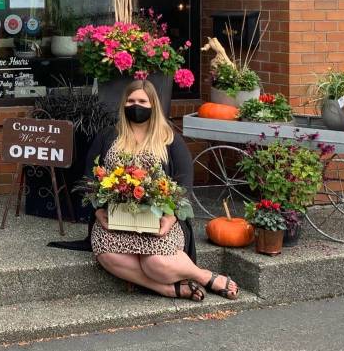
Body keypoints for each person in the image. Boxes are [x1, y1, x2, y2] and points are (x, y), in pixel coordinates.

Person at [90, 79, 240, 301]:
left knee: (156, 263)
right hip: (116, 219)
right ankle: (167, 289)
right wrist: (97, 211)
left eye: (142, 101)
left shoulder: (169, 138)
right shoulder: (108, 135)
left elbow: (184, 183)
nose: (136, 105)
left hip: (159, 219)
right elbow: (88, 178)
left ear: (153, 104)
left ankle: (204, 276)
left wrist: (171, 216)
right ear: (123, 104)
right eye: (131, 100)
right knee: (107, 254)